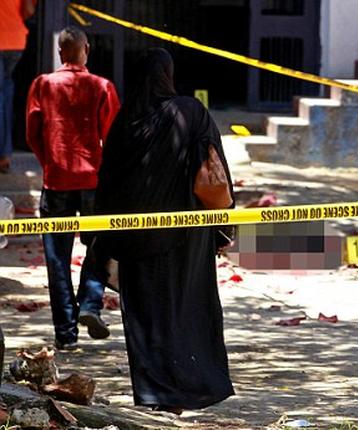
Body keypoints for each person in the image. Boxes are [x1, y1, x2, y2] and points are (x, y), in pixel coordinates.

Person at [95, 47, 234, 413]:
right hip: (189, 235)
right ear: (168, 75)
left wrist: (107, 240)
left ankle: (158, 394)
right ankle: (194, 386)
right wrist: (224, 228)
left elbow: (108, 183)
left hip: (138, 239)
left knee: (148, 317)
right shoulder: (190, 112)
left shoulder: (125, 122)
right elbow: (215, 167)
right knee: (188, 309)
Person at [26, 26, 119, 350]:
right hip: (93, 181)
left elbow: (32, 134)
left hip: (56, 182)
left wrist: (50, 161)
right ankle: (91, 304)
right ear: (86, 50)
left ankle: (66, 333)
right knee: (99, 248)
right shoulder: (102, 86)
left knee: (57, 259)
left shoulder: (42, 85)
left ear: (61, 52)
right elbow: (114, 137)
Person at [0, 0, 36, 173]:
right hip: (15, 41)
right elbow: (28, 11)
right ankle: (5, 155)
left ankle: (3, 153)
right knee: (6, 91)